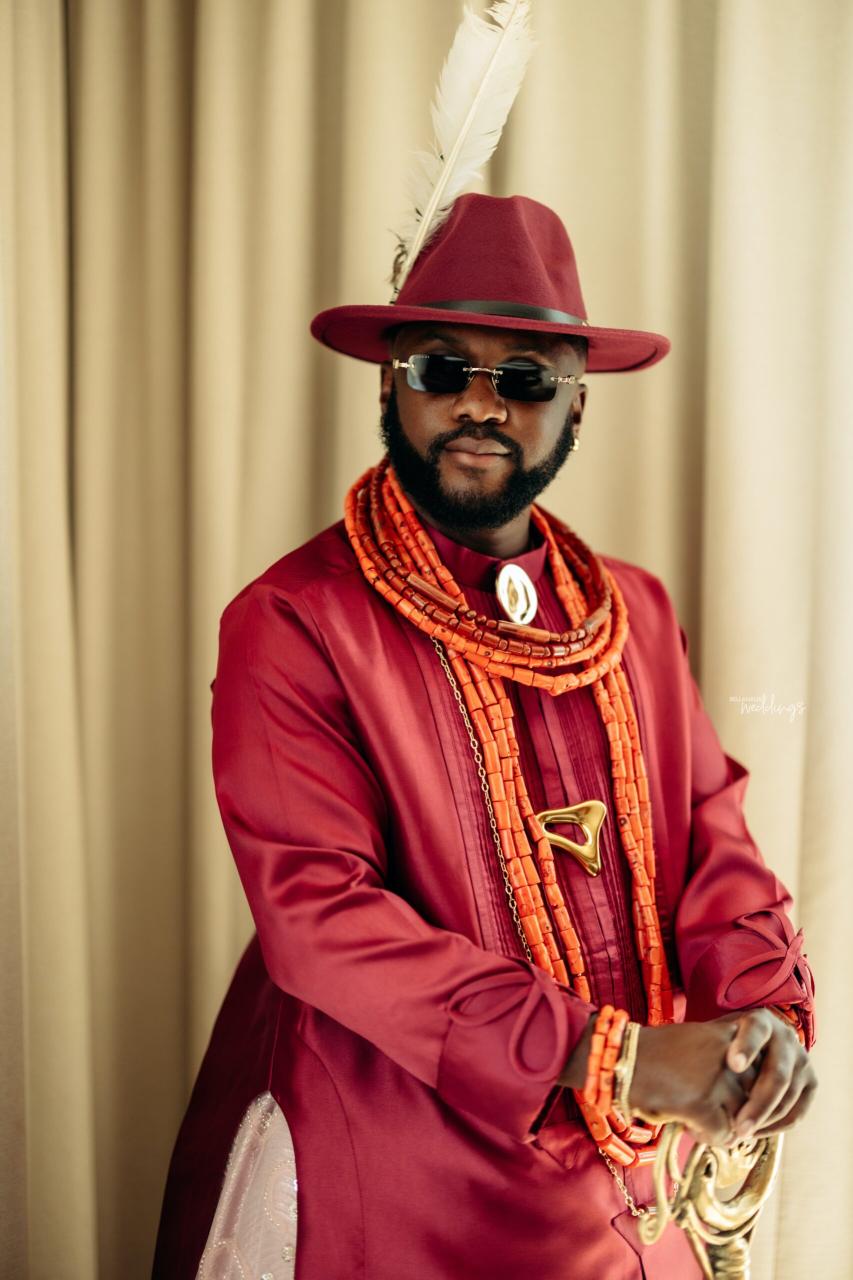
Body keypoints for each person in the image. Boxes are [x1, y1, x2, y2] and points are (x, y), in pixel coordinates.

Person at [153, 193, 816, 1279]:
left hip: (626, 1185)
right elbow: (322, 920)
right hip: (391, 1176)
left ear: (576, 403)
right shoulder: (294, 619)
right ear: (387, 382)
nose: (478, 402)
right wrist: (619, 1058)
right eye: (439, 367)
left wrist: (760, 1013)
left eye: (523, 378)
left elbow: (713, 844)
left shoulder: (633, 614)